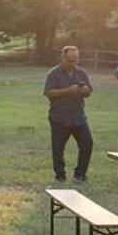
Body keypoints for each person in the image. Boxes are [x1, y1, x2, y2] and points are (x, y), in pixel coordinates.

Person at [43, 45, 94, 183]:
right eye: (70, 60)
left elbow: (89, 90)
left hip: (78, 116)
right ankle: (60, 175)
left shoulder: (81, 73)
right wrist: (67, 91)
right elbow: (48, 92)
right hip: (60, 117)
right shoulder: (53, 73)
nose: (72, 63)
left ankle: (80, 174)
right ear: (63, 58)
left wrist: (85, 90)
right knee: (58, 149)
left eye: (75, 60)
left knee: (87, 144)